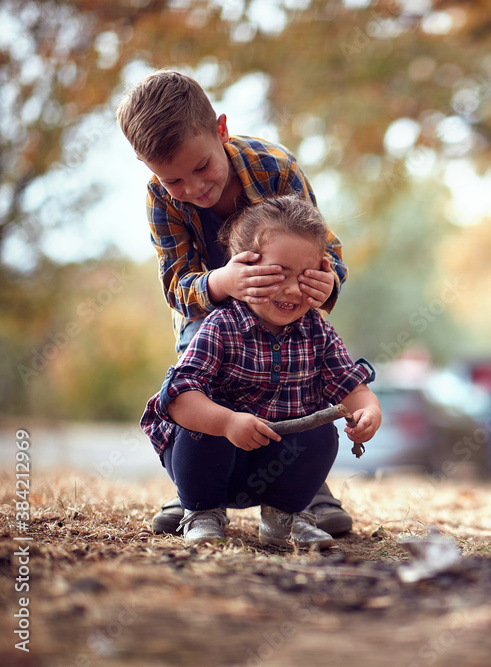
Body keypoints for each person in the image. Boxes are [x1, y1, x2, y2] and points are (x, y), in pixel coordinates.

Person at [116, 70, 354, 535]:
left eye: (201, 167)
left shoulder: (274, 168)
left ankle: (305, 490)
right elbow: (178, 286)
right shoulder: (162, 199)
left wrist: (327, 283)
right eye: (173, 179)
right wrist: (225, 281)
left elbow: (322, 248)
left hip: (283, 301)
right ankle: (196, 493)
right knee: (200, 385)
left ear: (221, 130)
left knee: (299, 373)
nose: (192, 188)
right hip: (207, 307)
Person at [140, 195, 381, 547]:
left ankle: (283, 517)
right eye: (277, 274)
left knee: (322, 433)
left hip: (273, 465)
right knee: (198, 431)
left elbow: (351, 386)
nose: (291, 289)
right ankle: (202, 513)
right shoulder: (220, 326)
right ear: (245, 269)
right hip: (212, 461)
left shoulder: (317, 331)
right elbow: (177, 399)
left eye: (304, 276)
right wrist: (226, 422)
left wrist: (368, 410)